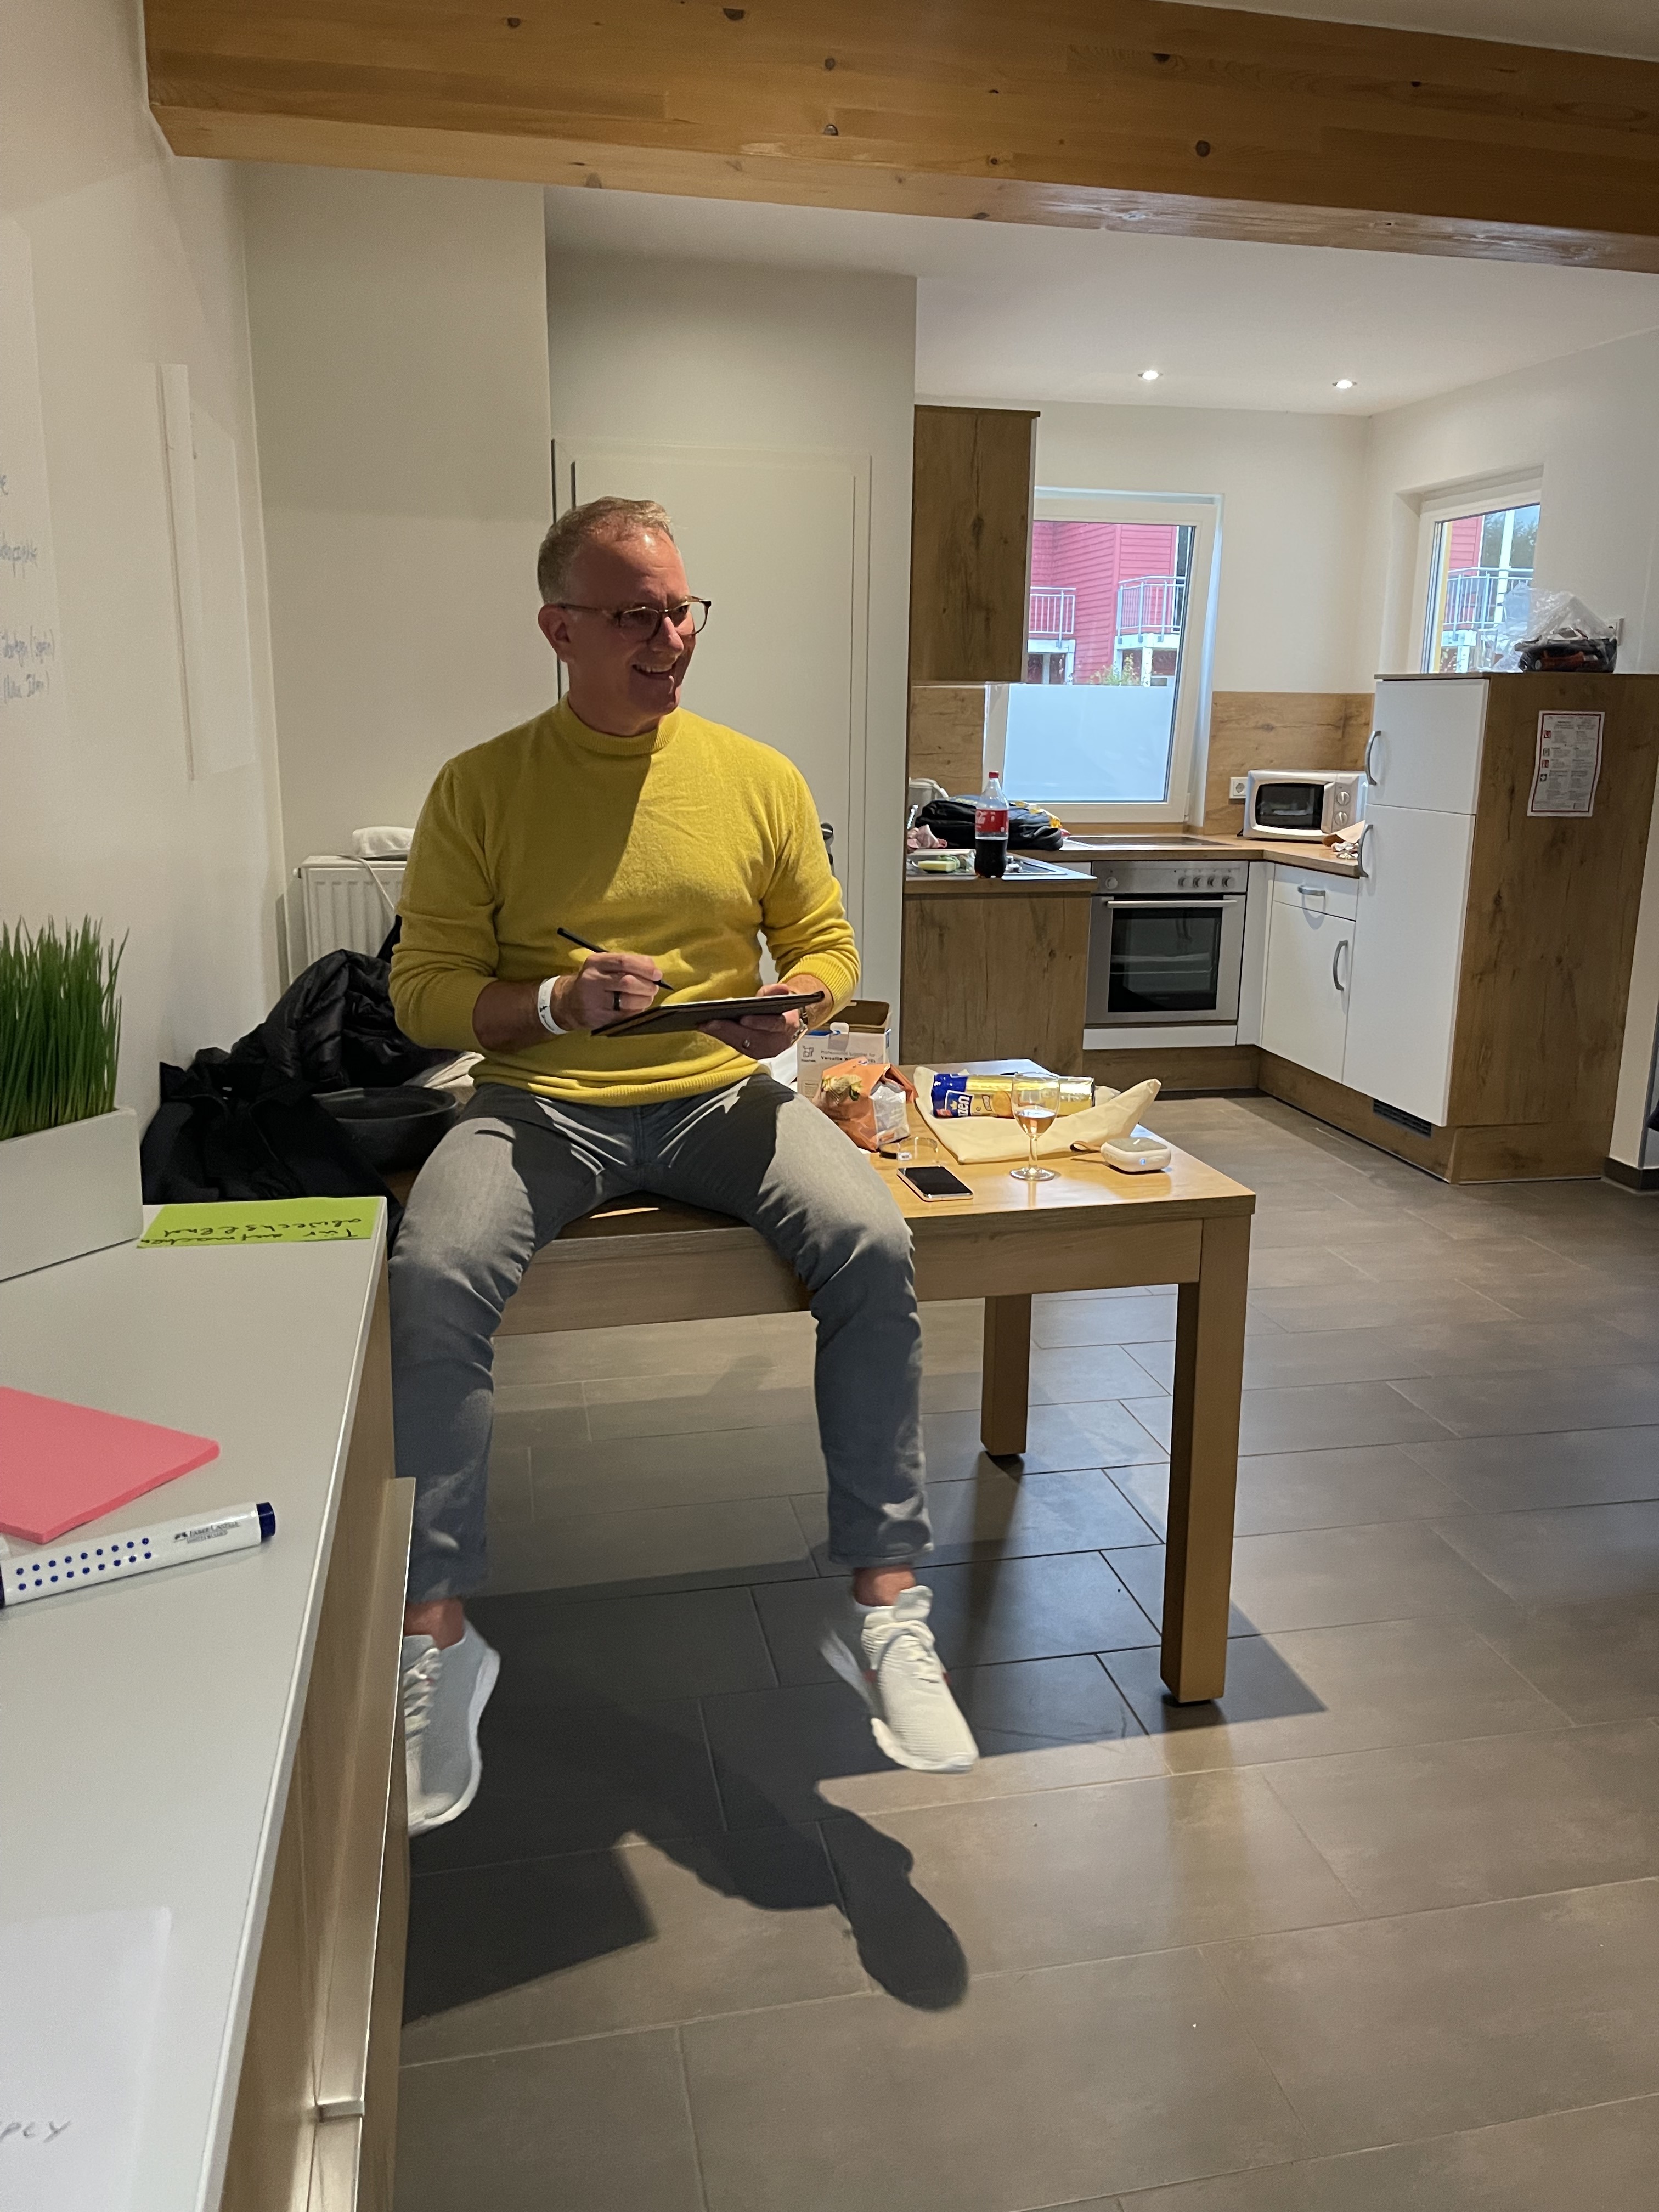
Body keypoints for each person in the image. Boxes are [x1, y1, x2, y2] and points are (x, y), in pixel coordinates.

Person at [388, 496, 978, 1834]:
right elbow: (424, 991)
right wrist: (553, 1006)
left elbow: (828, 938)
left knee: (876, 1242)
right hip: (542, 1101)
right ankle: (436, 1633)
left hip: (720, 1093)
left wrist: (799, 1006)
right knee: (432, 1271)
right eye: (635, 613)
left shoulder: (755, 775)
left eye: (680, 608)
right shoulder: (481, 786)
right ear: (560, 630)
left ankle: (885, 1605)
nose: (669, 637)